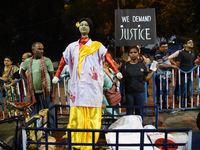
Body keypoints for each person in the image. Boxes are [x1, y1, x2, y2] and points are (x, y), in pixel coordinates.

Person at [52, 18, 122, 150]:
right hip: (77, 89)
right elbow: (62, 61)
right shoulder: (71, 47)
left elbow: (108, 58)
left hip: (92, 88)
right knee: (77, 117)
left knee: (92, 118)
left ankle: (89, 144)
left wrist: (116, 71)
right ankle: (77, 143)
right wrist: (57, 75)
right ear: (78, 28)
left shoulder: (97, 45)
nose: (84, 27)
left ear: (90, 28)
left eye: (86, 25)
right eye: (82, 25)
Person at [20, 42, 56, 128]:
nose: (42, 51)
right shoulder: (28, 61)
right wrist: (27, 82)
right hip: (33, 93)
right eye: (39, 49)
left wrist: (53, 92)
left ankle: (51, 131)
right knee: (35, 114)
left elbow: (52, 77)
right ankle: (37, 132)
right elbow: (22, 72)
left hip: (46, 93)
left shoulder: (47, 60)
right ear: (33, 50)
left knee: (48, 112)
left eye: (42, 49)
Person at [120, 46, 158, 115]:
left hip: (140, 93)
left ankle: (139, 125)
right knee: (129, 114)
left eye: (135, 52)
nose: (133, 54)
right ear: (128, 54)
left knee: (139, 113)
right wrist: (115, 74)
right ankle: (130, 126)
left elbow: (146, 79)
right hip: (129, 93)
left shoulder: (142, 65)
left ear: (138, 53)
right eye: (131, 53)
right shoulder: (125, 66)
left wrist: (153, 71)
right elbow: (121, 79)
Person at [154, 42, 177, 109]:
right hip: (160, 77)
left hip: (166, 77)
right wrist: (171, 66)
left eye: (166, 46)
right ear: (160, 47)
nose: (165, 48)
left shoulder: (164, 54)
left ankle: (165, 105)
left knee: (166, 92)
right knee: (160, 92)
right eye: (163, 47)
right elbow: (160, 65)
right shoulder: (158, 54)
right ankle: (158, 105)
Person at [176, 38, 195, 107]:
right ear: (185, 45)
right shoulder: (181, 53)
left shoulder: (192, 53)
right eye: (189, 42)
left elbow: (193, 63)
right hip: (183, 74)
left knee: (188, 90)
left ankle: (187, 103)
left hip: (190, 74)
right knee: (182, 89)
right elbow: (178, 64)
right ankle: (181, 103)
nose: (191, 43)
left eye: (192, 42)